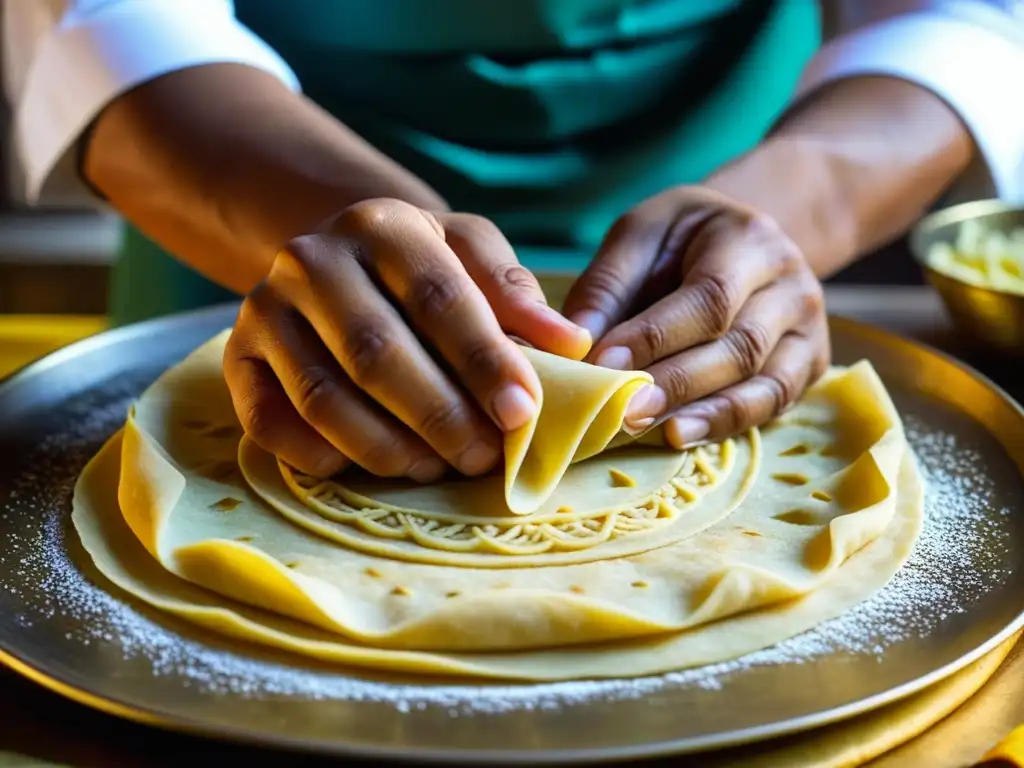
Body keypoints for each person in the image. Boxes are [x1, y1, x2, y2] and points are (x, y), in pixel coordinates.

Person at [4, 0, 1023, 485]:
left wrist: (783, 220)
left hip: (710, 287)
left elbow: (959, 16)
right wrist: (339, 233)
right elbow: (99, 20)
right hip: (251, 273)